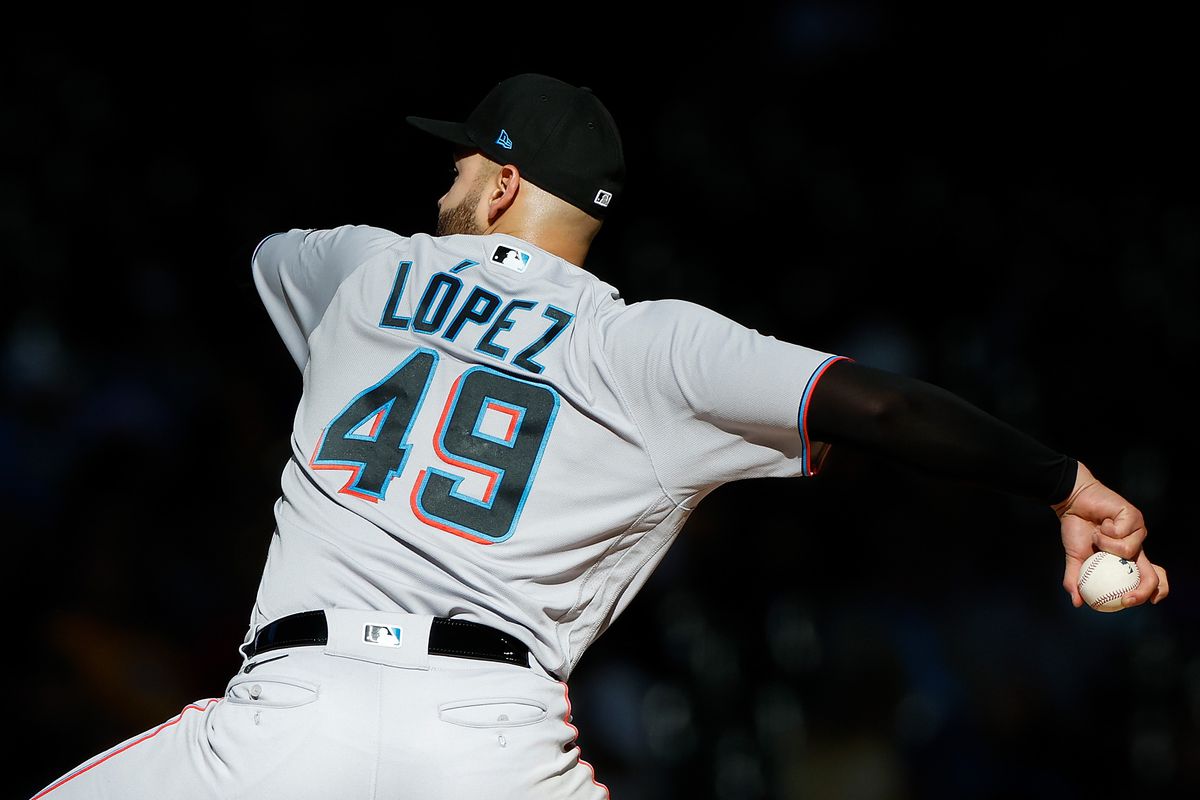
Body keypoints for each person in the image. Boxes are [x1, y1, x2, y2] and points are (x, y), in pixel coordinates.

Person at [32, 72, 1168, 800]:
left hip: (288, 715)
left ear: (502, 183)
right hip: (493, 738)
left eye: (464, 159)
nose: (450, 174)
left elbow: (265, 255)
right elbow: (878, 406)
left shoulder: (360, 267)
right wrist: (1066, 483)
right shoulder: (650, 347)